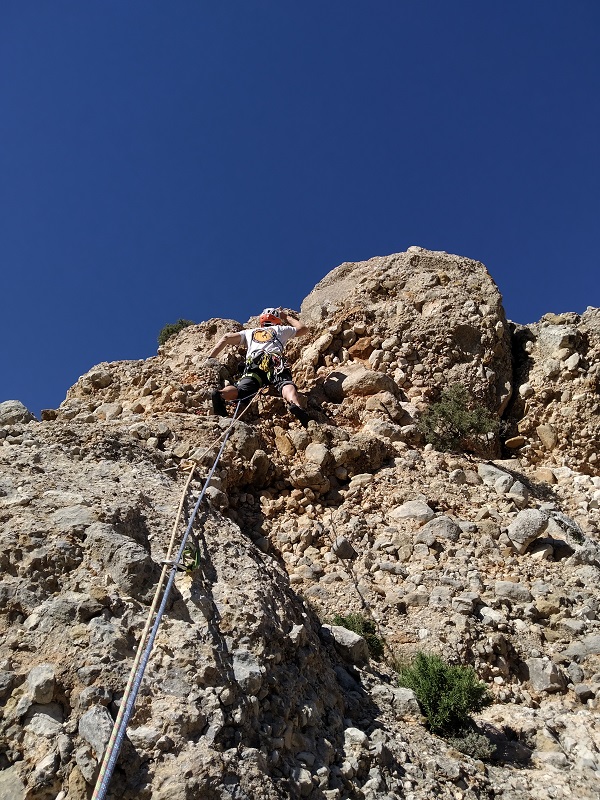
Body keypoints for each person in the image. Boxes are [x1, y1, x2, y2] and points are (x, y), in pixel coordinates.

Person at [206, 307, 310, 427]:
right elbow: (303, 329)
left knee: (241, 389)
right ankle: (295, 405)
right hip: (273, 362)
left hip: (253, 365)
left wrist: (210, 358)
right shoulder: (281, 329)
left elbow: (226, 337)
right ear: (277, 320)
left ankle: (221, 394)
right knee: (284, 383)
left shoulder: (250, 332)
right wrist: (286, 316)